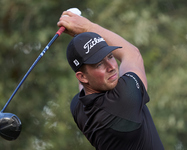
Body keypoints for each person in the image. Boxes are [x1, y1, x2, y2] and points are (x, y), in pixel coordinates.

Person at [57, 10, 164, 150]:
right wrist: (88, 27)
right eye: (99, 64)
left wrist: (82, 38)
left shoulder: (77, 106)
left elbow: (85, 84)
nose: (112, 67)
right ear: (82, 76)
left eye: (110, 56)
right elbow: (132, 54)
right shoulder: (124, 99)